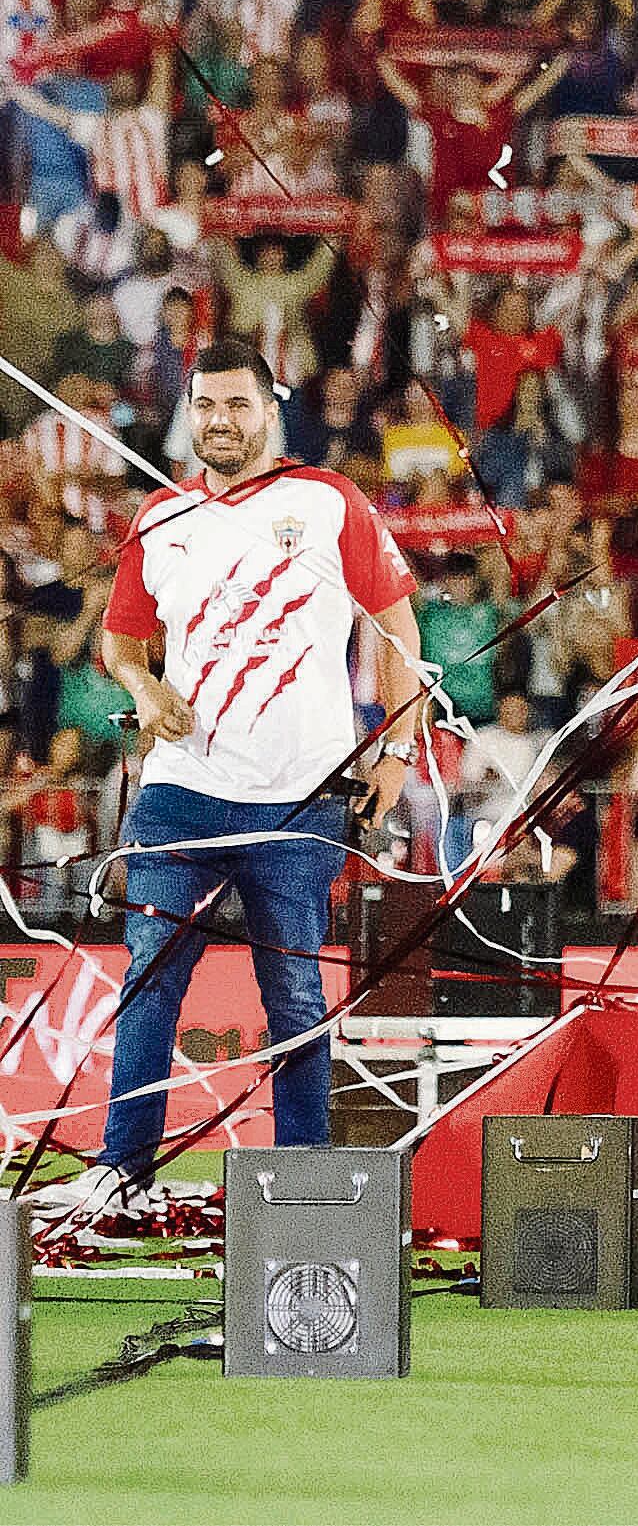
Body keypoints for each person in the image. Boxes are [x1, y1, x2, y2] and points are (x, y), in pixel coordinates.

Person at [65, 342, 427, 1224]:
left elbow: (399, 628)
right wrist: (146, 690)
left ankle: (300, 1173)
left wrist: (395, 751)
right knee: (148, 981)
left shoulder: (328, 499)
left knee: (296, 994)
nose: (220, 420)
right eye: (205, 405)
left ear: (272, 408)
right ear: (189, 411)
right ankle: (123, 1168)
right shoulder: (160, 517)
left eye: (237, 404)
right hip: (182, 789)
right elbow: (120, 642)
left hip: (300, 793)